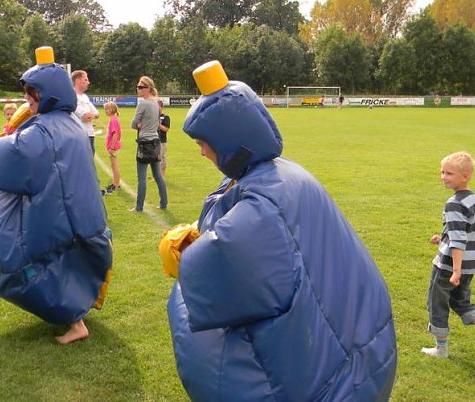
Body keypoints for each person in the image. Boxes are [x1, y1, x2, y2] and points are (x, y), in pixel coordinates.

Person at [162, 61, 396, 400]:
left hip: (330, 387)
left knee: (195, 326)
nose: (200, 151)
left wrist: (186, 261)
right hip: (368, 353)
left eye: (203, 142)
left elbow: (220, 276)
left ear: (229, 141)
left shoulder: (260, 206)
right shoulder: (286, 174)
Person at [0, 46, 112, 344]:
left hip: (62, 211)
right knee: (64, 261)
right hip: (80, 211)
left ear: (46, 95)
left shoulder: (44, 129)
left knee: (26, 268)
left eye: (31, 94)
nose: (27, 100)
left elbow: (5, 158)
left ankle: (75, 320)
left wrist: (4, 137)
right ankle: (78, 314)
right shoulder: (69, 123)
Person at [422, 151, 475, 364]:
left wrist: (456, 270)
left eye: (449, 173)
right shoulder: (473, 198)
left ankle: (441, 349)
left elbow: (459, 239)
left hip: (449, 266)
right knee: (461, 302)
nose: (443, 177)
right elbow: (462, 230)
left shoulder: (454, 203)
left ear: (465, 176)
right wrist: (441, 237)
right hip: (470, 264)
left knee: (437, 302)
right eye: (442, 172)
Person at [129, 76, 167, 212]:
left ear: (148, 89)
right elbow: (157, 124)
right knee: (158, 175)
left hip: (144, 143)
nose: (137, 89)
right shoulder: (157, 104)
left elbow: (133, 124)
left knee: (142, 177)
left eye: (140, 87)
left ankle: (139, 207)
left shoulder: (143, 104)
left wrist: (139, 125)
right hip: (155, 142)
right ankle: (164, 203)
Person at [71, 70, 99, 155]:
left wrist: (92, 115)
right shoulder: (72, 97)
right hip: (80, 135)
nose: (88, 82)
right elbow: (85, 116)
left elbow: (97, 113)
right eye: (85, 80)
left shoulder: (85, 97)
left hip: (90, 134)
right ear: (77, 81)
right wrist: (90, 115)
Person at [102, 101, 122, 195]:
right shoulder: (113, 119)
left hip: (112, 147)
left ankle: (116, 184)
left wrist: (112, 147)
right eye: (105, 109)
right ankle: (115, 183)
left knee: (114, 165)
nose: (105, 111)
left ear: (112, 110)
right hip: (111, 146)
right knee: (113, 165)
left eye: (107, 109)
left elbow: (115, 134)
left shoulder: (113, 120)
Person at [157, 99, 170, 179]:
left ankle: (162, 176)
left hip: (162, 141)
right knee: (155, 159)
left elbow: (166, 129)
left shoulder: (166, 117)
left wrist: (158, 124)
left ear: (161, 107)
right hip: (154, 141)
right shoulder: (153, 117)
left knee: (162, 158)